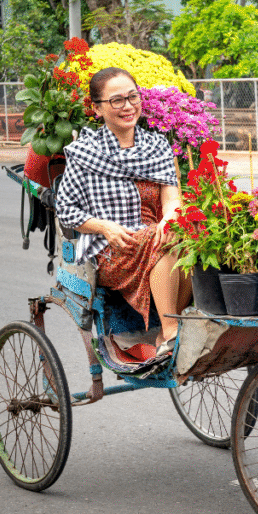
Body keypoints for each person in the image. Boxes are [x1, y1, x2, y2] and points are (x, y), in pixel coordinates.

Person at [55, 67, 193, 359]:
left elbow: (171, 197)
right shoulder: (85, 152)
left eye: (133, 97)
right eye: (117, 100)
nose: (128, 106)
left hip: (152, 236)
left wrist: (170, 217)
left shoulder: (156, 146)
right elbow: (65, 210)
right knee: (161, 239)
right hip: (110, 248)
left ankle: (169, 326)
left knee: (195, 238)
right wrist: (105, 227)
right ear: (97, 108)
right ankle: (170, 333)